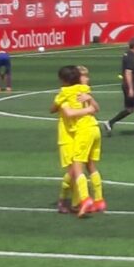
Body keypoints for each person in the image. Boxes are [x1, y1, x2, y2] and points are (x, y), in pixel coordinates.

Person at [50, 65, 101, 218]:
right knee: (73, 171)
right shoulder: (64, 95)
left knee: (77, 169)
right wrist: (89, 110)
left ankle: (76, 203)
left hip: (77, 132)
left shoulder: (73, 92)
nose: (86, 79)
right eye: (84, 76)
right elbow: (56, 109)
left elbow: (55, 109)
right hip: (66, 135)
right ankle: (63, 198)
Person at [104, 38, 134, 137]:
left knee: (130, 109)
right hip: (131, 85)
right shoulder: (131, 57)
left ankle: (110, 123)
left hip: (129, 85)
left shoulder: (129, 55)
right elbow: (128, 72)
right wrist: (131, 88)